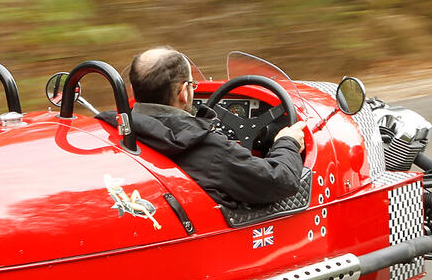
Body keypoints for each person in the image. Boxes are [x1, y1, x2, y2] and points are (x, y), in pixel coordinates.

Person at [118, 46, 307, 209]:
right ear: (184, 93)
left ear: (134, 91)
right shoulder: (206, 149)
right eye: (192, 85)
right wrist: (287, 142)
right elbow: (280, 181)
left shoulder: (117, 128)